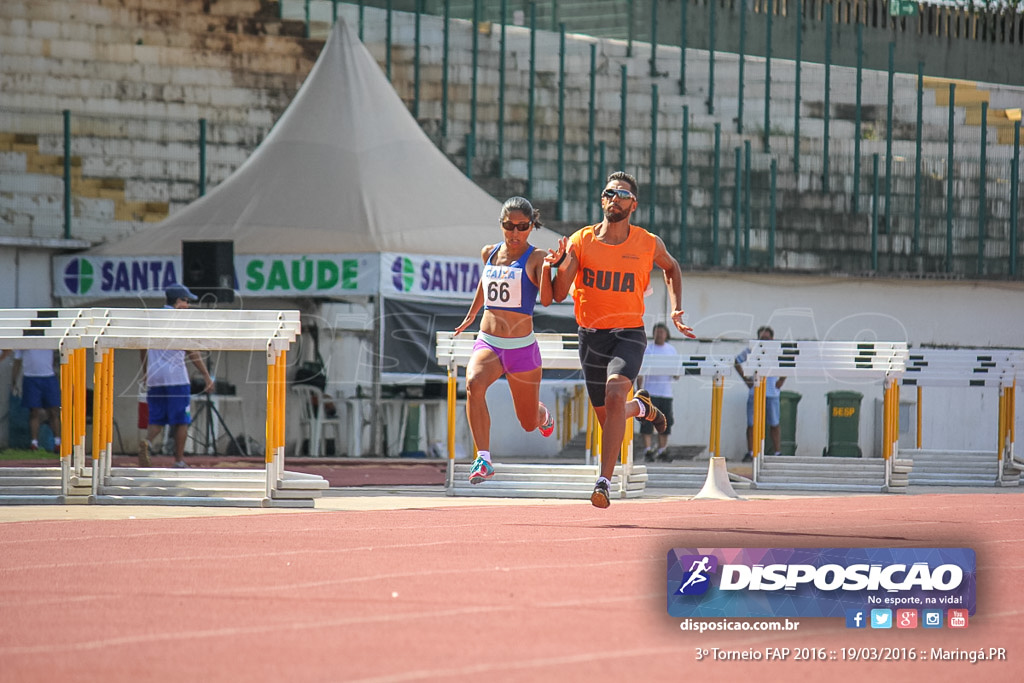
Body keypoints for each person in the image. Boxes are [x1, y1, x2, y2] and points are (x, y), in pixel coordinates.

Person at [549, 171, 695, 508]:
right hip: (590, 336)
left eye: (622, 194)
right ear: (602, 200)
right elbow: (558, 294)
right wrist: (555, 267)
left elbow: (671, 268)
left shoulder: (647, 242)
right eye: (609, 193)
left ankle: (603, 481)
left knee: (615, 395)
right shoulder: (580, 241)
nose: (615, 198)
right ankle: (642, 407)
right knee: (608, 416)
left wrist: (676, 309)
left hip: (628, 333)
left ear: (634, 205)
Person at [454, 197, 556, 484]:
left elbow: (547, 300)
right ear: (501, 224)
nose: (515, 233)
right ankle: (483, 458)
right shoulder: (489, 252)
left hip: (521, 349)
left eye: (522, 227)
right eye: (509, 226)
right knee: (473, 383)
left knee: (527, 422)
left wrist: (549, 269)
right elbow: (485, 284)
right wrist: (472, 314)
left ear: (531, 227)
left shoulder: (537, 257)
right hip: (489, 342)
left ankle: (541, 413)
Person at [139, 284, 214, 467]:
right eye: (186, 301)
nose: (188, 306)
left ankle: (147, 442)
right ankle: (179, 460)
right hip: (176, 378)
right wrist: (206, 375)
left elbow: (141, 345)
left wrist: (146, 371)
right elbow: (191, 351)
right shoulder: (180, 321)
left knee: (157, 419)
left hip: (156, 377)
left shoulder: (153, 318)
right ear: (178, 301)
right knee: (181, 421)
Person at [734, 325, 786, 461]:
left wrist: (782, 380)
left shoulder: (777, 351)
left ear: (772, 339)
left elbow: (787, 363)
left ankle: (777, 453)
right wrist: (746, 380)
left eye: (767, 338)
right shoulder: (752, 350)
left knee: (774, 423)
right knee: (751, 424)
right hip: (755, 391)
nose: (765, 341)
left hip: (772, 393)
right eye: (762, 338)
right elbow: (736, 362)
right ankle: (751, 452)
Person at [0, 348, 61, 453]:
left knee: (53, 411)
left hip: (48, 376)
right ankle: (34, 443)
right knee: (34, 411)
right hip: (31, 378)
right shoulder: (24, 342)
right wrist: (13, 380)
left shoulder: (48, 339)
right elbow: (17, 360)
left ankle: (57, 442)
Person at [637, 322, 679, 462]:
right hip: (650, 392)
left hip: (666, 393)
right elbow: (641, 371)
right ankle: (648, 450)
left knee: (666, 422)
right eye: (657, 332)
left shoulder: (671, 350)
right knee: (647, 423)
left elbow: (677, 372)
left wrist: (676, 373)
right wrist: (639, 390)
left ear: (666, 334)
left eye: (662, 332)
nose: (659, 334)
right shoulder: (648, 349)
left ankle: (662, 450)